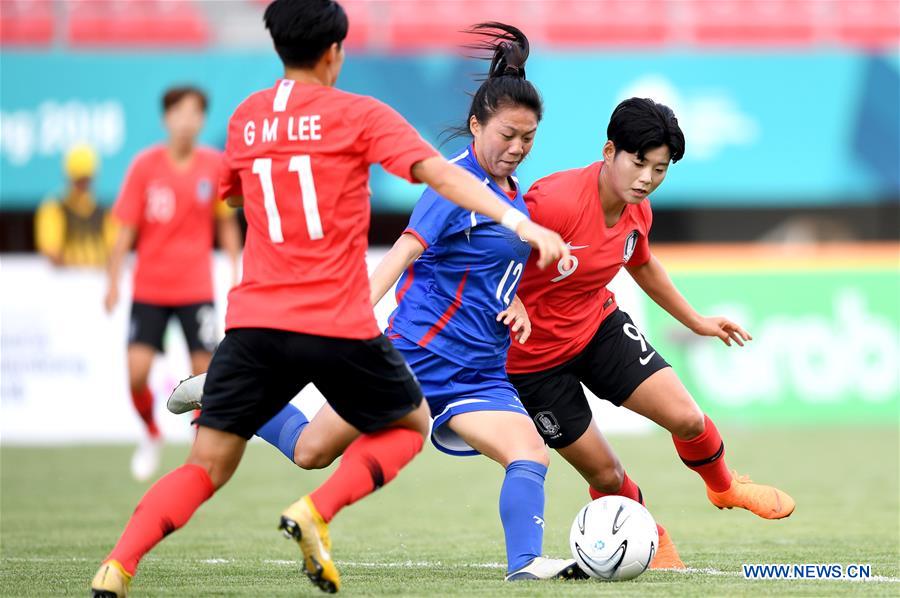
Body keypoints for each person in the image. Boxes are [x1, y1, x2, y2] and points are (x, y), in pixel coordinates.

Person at [90, 2, 568, 596]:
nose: (520, 146)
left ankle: (116, 566)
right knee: (368, 438)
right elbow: (427, 202)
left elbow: (233, 196)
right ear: (335, 53)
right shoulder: (361, 116)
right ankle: (312, 508)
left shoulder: (245, 120)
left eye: (529, 137)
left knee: (222, 466)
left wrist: (513, 295)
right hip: (371, 331)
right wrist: (521, 227)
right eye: (510, 134)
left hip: (284, 321)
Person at [505, 98, 796, 563]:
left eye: (660, 169)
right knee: (605, 475)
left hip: (597, 328)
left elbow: (642, 263)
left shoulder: (639, 211)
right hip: (532, 362)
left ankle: (723, 487)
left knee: (688, 418)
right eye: (639, 162)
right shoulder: (552, 201)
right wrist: (511, 297)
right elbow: (485, 252)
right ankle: (650, 536)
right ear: (609, 151)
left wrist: (696, 320)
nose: (647, 178)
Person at [103, 85, 243, 482]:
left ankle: (199, 452)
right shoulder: (145, 166)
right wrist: (113, 280)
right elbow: (126, 228)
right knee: (135, 372)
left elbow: (226, 224)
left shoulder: (214, 165)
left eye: (196, 113)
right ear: (167, 118)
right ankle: (150, 433)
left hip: (195, 288)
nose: (188, 121)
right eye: (180, 113)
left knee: (205, 374)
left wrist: (234, 270)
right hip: (150, 287)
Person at [34, 143, 115, 268]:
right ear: (69, 178)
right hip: (66, 282)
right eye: (78, 180)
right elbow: (51, 249)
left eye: (86, 180)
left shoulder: (105, 211)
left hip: (99, 279)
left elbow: (115, 249)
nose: (82, 185)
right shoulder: (54, 208)